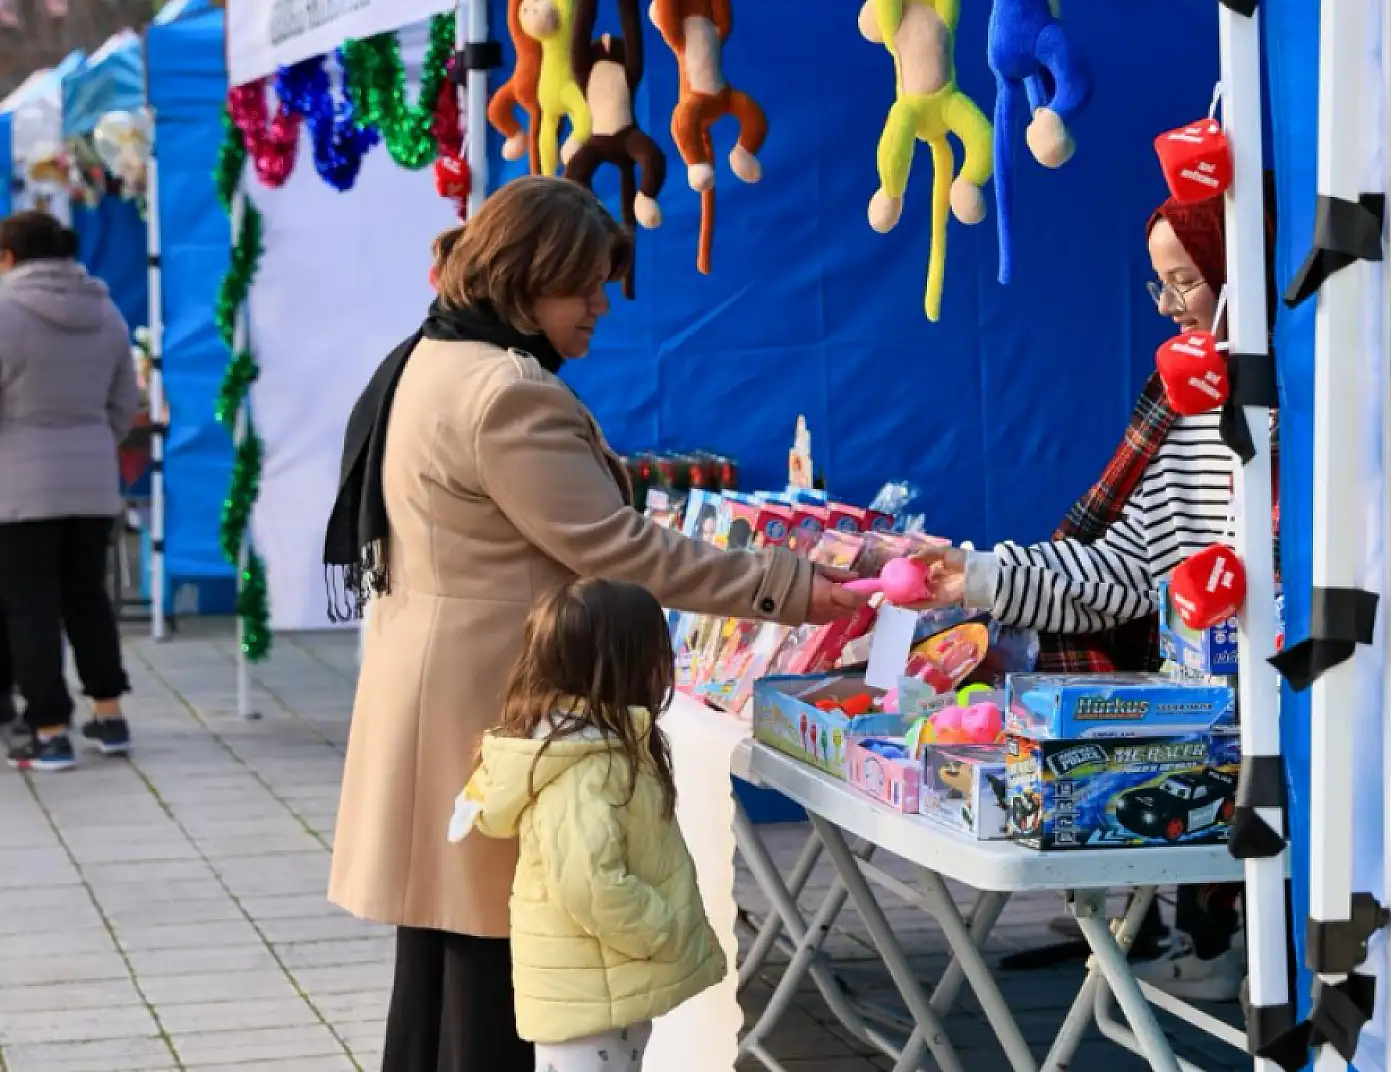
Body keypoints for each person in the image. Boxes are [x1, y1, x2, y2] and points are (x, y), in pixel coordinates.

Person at [322, 176, 864, 1072]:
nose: (602, 307)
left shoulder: (434, 355)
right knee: (494, 963)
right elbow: (620, 551)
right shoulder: (504, 393)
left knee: (444, 963)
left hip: (440, 688)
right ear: (526, 279)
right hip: (488, 699)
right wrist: (790, 584)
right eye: (585, 285)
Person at [916, 195, 1261, 1001]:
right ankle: (1197, 940)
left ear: (1243, 272)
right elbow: (1118, 573)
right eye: (1160, 286)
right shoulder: (1178, 403)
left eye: (1188, 282)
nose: (1173, 307)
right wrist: (975, 575)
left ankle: (1216, 944)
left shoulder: (1308, 408)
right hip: (1200, 720)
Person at [448, 578, 720, 1072]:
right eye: (660, 653)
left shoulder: (598, 746)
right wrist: (657, 928)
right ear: (626, 666)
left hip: (599, 986)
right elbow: (587, 882)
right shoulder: (585, 767)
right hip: (588, 995)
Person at [0, 212, 137, 773]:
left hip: (18, 485)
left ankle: (50, 729)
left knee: (29, 606)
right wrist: (94, 442)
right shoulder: (104, 310)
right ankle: (109, 715)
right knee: (87, 599)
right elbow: (125, 400)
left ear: (10, 255)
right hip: (93, 480)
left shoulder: (5, 311)